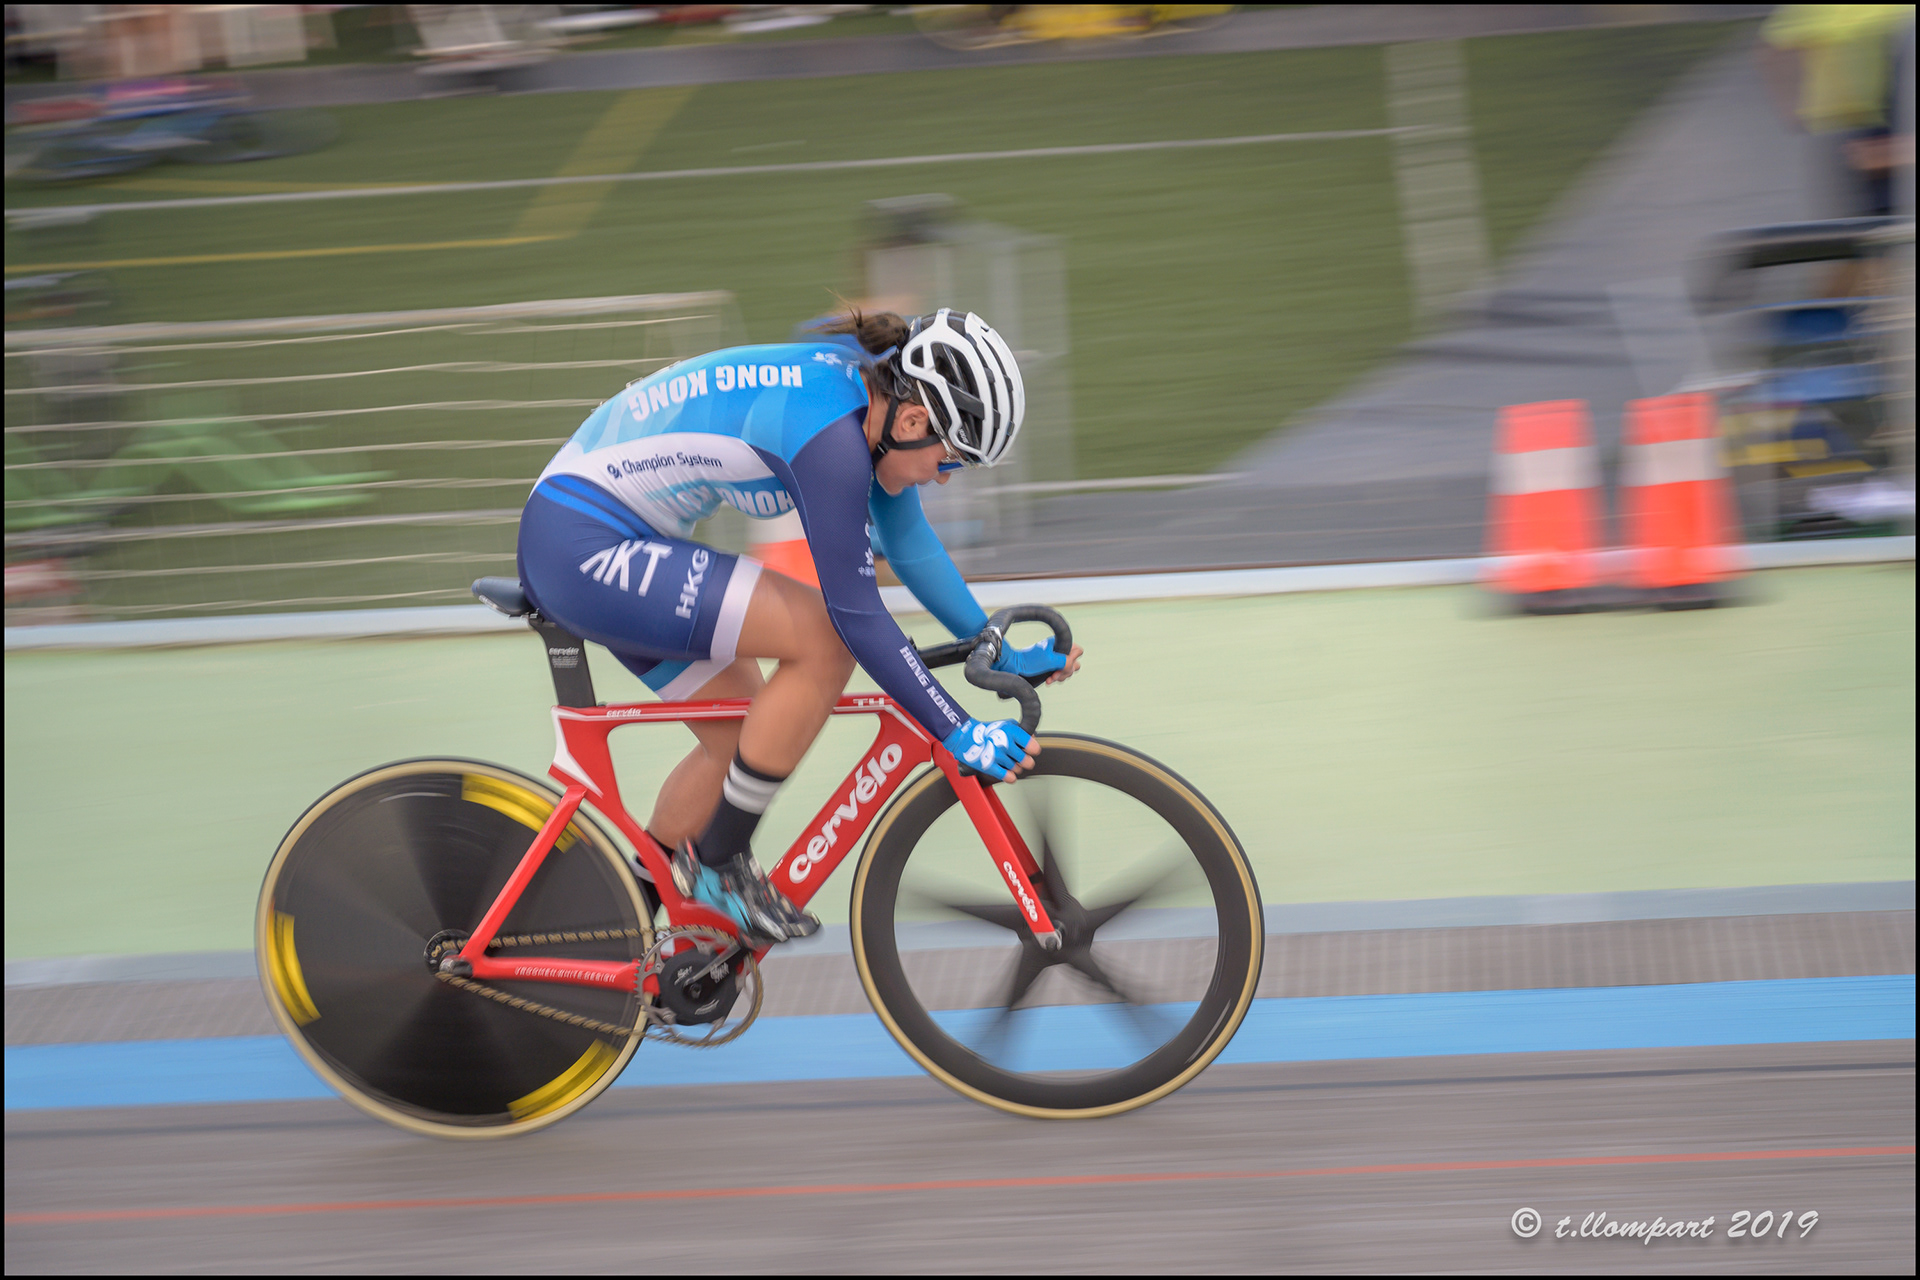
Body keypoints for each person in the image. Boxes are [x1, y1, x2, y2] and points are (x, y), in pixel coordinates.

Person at [515, 309, 1083, 946]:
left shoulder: (868, 405)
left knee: (742, 738)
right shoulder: (832, 444)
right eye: (951, 459)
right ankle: (719, 869)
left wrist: (993, 647)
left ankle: (615, 933)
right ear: (914, 421)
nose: (944, 476)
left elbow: (908, 541)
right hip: (582, 543)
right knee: (825, 641)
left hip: (595, 535)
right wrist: (958, 729)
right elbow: (856, 616)